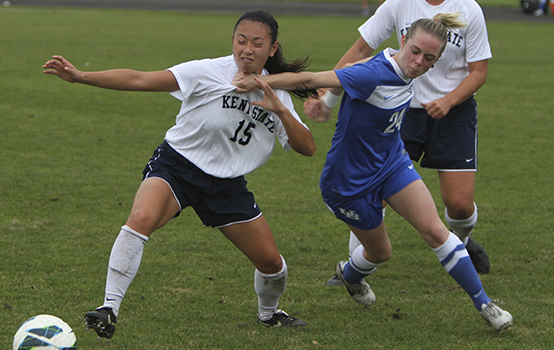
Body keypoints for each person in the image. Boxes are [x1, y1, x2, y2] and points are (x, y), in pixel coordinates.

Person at [42, 10, 317, 340]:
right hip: (177, 167)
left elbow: (308, 147)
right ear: (232, 41)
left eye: (257, 43)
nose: (247, 49)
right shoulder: (208, 71)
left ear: (272, 49)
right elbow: (141, 79)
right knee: (141, 217)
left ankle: (269, 314)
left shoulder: (278, 94)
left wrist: (281, 111)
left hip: (225, 186)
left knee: (272, 263)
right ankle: (109, 308)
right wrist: (81, 76)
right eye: (241, 40)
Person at [233, 13, 513, 331]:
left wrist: (329, 103)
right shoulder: (373, 73)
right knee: (380, 252)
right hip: (347, 184)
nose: (419, 62)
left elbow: (345, 74)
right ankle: (351, 275)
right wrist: (260, 82)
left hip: (392, 164)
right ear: (403, 41)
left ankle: (485, 304)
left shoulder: (401, 68)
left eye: (429, 58)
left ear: (436, 63)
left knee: (436, 231)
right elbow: (312, 79)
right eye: (416, 52)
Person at [305, 0, 492, 276]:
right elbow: (361, 49)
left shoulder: (470, 9)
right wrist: (329, 97)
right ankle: (356, 268)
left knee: (460, 204)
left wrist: (448, 101)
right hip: (401, 110)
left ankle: (460, 243)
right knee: (373, 195)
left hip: (454, 114)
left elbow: (479, 72)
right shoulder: (399, 3)